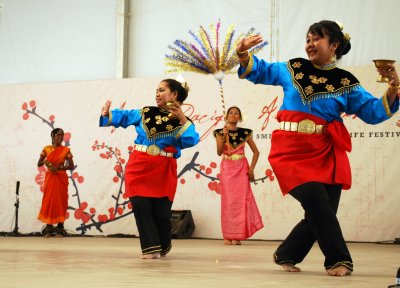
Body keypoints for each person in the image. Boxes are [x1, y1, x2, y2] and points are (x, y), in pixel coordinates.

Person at [236, 20, 399, 276]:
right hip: (290, 151)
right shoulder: (293, 68)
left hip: (326, 151)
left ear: (334, 45)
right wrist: (244, 55)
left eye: (317, 39)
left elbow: (372, 111)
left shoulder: (346, 81)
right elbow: (261, 70)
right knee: (316, 201)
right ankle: (339, 260)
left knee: (322, 211)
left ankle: (287, 253)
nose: (310, 44)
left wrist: (393, 88)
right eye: (308, 39)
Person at [100, 78, 200, 259]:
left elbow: (190, 140)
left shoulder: (183, 122)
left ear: (174, 94)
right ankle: (149, 249)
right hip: (139, 165)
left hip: (163, 170)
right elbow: (125, 116)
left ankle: (161, 246)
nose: (157, 93)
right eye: (156, 90)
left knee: (162, 214)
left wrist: (182, 118)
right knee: (140, 205)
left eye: (161, 90)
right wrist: (108, 114)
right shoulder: (146, 112)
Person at [213, 106, 264, 245]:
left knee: (241, 202)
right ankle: (228, 236)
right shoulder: (219, 132)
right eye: (230, 113)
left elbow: (256, 152)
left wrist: (251, 169)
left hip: (242, 168)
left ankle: (238, 235)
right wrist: (223, 138)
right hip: (227, 168)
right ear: (226, 116)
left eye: (236, 113)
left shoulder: (245, 133)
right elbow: (219, 152)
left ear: (239, 117)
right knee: (228, 202)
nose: (233, 115)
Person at [37, 128, 74, 238]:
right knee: (50, 201)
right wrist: (46, 162)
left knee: (60, 201)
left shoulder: (66, 150)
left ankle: (60, 228)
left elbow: (71, 165)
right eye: (58, 135)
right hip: (50, 178)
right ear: (52, 136)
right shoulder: (47, 149)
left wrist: (60, 167)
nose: (60, 137)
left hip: (61, 178)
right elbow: (39, 163)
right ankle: (49, 227)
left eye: (62, 135)